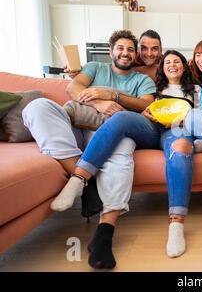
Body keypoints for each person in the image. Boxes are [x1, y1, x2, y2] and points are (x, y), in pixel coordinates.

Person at [22, 30, 157, 269]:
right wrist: (99, 102)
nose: (125, 53)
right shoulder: (95, 67)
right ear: (111, 51)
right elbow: (73, 89)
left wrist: (113, 95)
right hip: (75, 127)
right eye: (120, 48)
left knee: (123, 150)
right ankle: (87, 183)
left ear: (135, 55)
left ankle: (105, 233)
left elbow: (145, 104)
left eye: (130, 50)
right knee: (37, 107)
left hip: (110, 132)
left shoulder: (142, 80)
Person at [59, 50, 201, 268]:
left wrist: (185, 122)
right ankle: (78, 179)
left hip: (177, 130)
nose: (173, 65)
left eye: (177, 62)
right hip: (152, 128)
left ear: (184, 66)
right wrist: (145, 112)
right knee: (123, 117)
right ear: (162, 68)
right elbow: (142, 106)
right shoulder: (153, 88)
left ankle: (176, 225)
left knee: (181, 147)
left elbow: (201, 117)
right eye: (168, 62)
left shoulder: (197, 91)